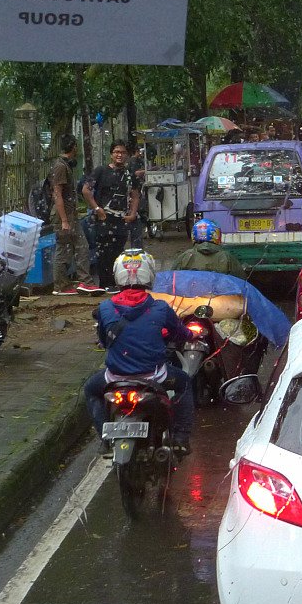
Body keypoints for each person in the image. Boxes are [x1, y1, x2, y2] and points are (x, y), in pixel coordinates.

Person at [83, 250, 195, 455]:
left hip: (114, 377)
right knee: (185, 383)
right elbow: (180, 333)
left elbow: (104, 340)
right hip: (154, 376)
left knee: (91, 390)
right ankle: (180, 438)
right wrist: (189, 336)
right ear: (150, 274)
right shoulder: (160, 308)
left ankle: (104, 438)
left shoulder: (105, 307)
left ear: (117, 275)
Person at [82, 140, 140, 292]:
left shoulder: (129, 175)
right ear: (111, 155)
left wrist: (132, 213)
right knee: (103, 253)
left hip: (121, 220)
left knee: (118, 252)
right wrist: (96, 208)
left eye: (122, 152)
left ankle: (116, 283)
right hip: (104, 219)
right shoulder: (101, 171)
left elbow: (135, 195)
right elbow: (86, 190)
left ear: (127, 155)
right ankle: (104, 284)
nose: (119, 155)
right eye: (116, 152)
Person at [50, 134, 100, 296]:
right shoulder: (60, 167)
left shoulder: (65, 165)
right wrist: (64, 220)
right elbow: (57, 194)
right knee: (72, 248)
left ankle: (71, 283)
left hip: (69, 215)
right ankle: (70, 284)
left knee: (74, 247)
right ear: (73, 148)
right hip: (64, 217)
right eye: (76, 146)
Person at [173, 219, 246, 277]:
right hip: (219, 295)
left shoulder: (186, 256)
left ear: (194, 236)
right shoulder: (227, 258)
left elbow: (172, 280)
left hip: (191, 295)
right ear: (216, 235)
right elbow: (241, 282)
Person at [125, 141, 147, 248]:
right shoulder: (133, 161)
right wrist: (146, 171)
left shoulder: (136, 161)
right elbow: (136, 173)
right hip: (134, 191)